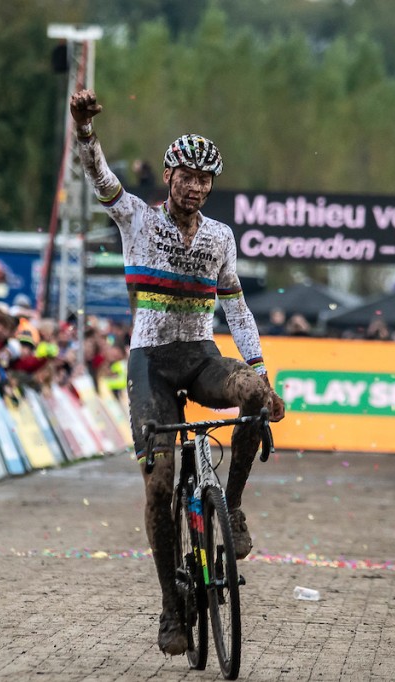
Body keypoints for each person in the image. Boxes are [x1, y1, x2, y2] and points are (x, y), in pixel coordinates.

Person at [70, 88, 286, 656]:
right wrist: (85, 133)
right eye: (188, 176)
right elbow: (99, 180)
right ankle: (171, 606)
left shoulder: (220, 237)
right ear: (168, 175)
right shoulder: (136, 219)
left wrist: (262, 371)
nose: (197, 187)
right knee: (160, 483)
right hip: (149, 367)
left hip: (200, 356)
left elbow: (236, 307)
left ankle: (231, 504)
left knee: (256, 399)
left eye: (206, 179)